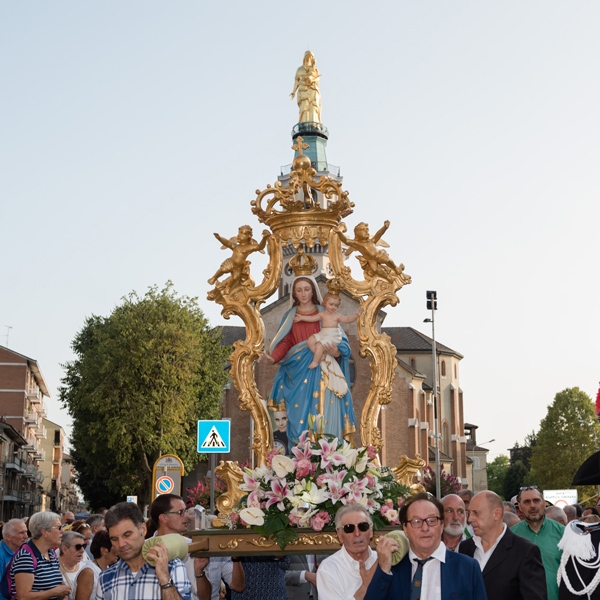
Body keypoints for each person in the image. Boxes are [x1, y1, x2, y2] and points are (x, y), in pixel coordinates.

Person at [262, 276, 357, 445]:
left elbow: (341, 341)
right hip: (298, 371)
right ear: (294, 293)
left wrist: (336, 350)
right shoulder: (291, 315)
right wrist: (273, 358)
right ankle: (302, 458)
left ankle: (329, 455)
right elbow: (285, 342)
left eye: (307, 289)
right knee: (299, 419)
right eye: (299, 290)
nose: (303, 293)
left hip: (324, 368)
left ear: (313, 290)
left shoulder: (326, 312)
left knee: (326, 409)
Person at [365, 492, 487, 600]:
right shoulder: (393, 571)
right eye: (416, 521)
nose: (425, 528)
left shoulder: (468, 568)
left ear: (441, 525)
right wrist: (384, 570)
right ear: (405, 529)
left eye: (431, 520)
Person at [460, 490, 546, 600]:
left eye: (476, 513)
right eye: (469, 513)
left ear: (496, 514)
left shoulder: (524, 551)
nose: (470, 519)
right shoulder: (465, 548)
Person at [97, 501, 190, 600]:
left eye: (127, 535)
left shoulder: (173, 567)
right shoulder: (105, 578)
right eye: (114, 539)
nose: (121, 544)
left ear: (143, 529)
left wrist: (165, 580)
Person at [149, 493, 211, 600]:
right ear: (164, 518)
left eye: (186, 511)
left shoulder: (194, 547)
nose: (187, 516)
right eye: (181, 512)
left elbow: (205, 597)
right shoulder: (145, 549)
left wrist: (199, 572)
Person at [511, 486, 563, 600]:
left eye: (536, 500)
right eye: (527, 502)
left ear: (544, 503)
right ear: (519, 506)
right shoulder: (511, 536)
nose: (532, 505)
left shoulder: (563, 533)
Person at [317, 504, 378, 600]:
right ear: (340, 536)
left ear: (370, 531)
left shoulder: (383, 560)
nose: (357, 533)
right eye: (349, 528)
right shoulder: (328, 568)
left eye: (363, 526)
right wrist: (366, 586)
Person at [10, 511, 71, 600]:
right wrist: (54, 592)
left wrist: (62, 594)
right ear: (45, 532)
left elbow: (61, 588)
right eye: (59, 527)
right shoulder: (26, 557)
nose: (62, 531)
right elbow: (23, 597)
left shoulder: (51, 553)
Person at [293, 293, 363, 369]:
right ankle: (320, 355)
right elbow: (312, 318)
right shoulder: (322, 314)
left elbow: (347, 319)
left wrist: (356, 315)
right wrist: (302, 318)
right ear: (325, 303)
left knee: (319, 345)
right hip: (323, 333)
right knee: (310, 341)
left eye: (336, 305)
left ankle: (315, 362)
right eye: (331, 304)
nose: (333, 307)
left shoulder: (337, 315)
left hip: (332, 336)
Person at [73, 530, 117, 600]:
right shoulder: (88, 572)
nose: (118, 550)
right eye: (114, 547)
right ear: (104, 550)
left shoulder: (107, 569)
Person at [0, 519, 28, 600]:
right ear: (8, 536)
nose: (26, 536)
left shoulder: (24, 551)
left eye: (26, 532)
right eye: (21, 533)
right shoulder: (1, 555)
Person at [290, 51, 322, 123]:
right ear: (305, 57)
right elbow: (296, 81)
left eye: (311, 57)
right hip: (303, 90)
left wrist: (312, 79)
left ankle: (314, 123)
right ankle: (302, 123)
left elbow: (318, 78)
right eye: (308, 56)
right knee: (304, 107)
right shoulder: (300, 69)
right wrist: (293, 91)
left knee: (314, 106)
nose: (309, 58)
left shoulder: (314, 68)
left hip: (313, 89)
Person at [57, 531, 86, 598]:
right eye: (78, 547)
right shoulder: (53, 568)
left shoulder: (85, 567)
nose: (82, 550)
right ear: (64, 549)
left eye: (84, 546)